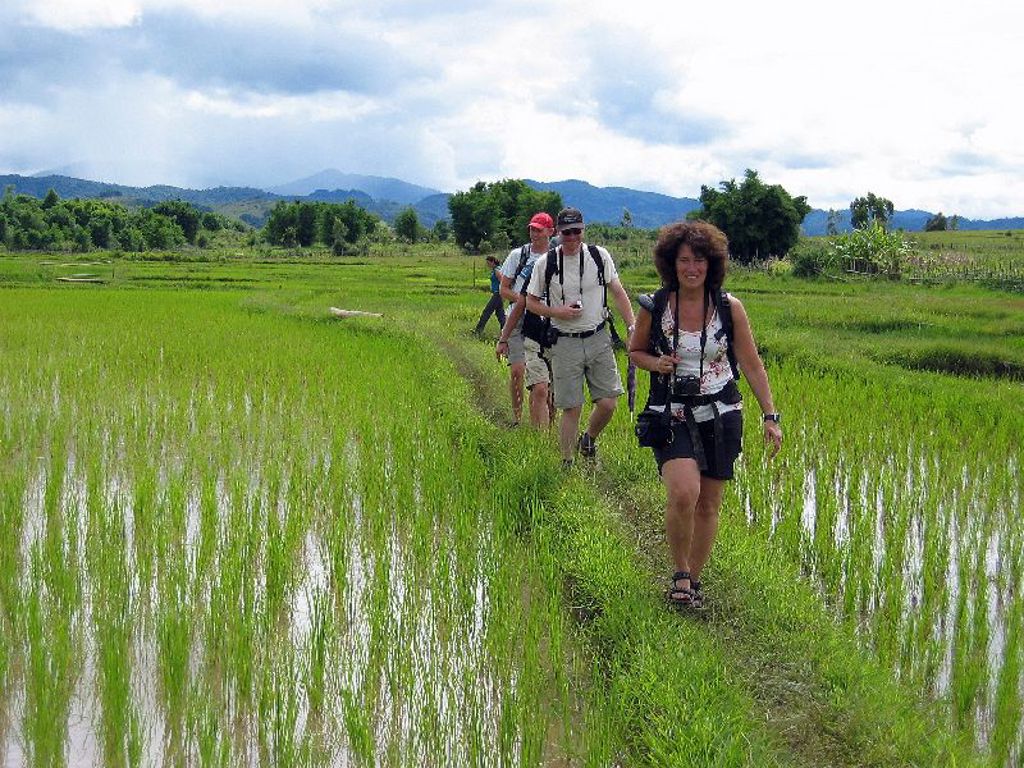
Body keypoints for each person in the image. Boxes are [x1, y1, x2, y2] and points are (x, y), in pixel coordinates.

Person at [628, 220, 782, 610]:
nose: (691, 268)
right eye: (683, 260)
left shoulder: (730, 309)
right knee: (684, 493)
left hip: (722, 412)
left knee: (709, 504)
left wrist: (770, 415)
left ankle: (693, 580)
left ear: (711, 264)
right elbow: (635, 352)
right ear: (671, 264)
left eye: (698, 260)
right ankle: (679, 572)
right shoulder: (655, 306)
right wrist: (657, 364)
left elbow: (751, 362)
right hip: (672, 412)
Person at [525, 207, 636, 466]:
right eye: (567, 233)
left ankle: (588, 438)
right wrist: (557, 312)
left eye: (577, 232)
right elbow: (530, 302)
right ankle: (566, 462)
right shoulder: (547, 263)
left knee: (608, 402)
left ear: (583, 231)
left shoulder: (599, 256)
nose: (572, 237)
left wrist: (632, 327)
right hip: (564, 341)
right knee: (571, 407)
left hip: (598, 337)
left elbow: (618, 292)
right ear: (559, 234)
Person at [495, 212, 555, 427]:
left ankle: (546, 422)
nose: (534, 233)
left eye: (539, 229)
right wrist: (528, 302)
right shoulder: (518, 255)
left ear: (550, 232)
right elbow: (504, 289)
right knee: (517, 369)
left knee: (547, 380)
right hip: (517, 317)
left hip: (547, 320)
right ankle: (517, 417)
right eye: (531, 229)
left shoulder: (557, 257)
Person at [474, 255, 506, 335]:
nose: (488, 265)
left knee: (487, 311)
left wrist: (503, 294)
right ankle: (505, 331)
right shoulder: (497, 269)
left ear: (492, 262)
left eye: (488, 263)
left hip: (498, 294)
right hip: (498, 294)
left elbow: (502, 281)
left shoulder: (497, 270)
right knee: (500, 314)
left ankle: (478, 331)